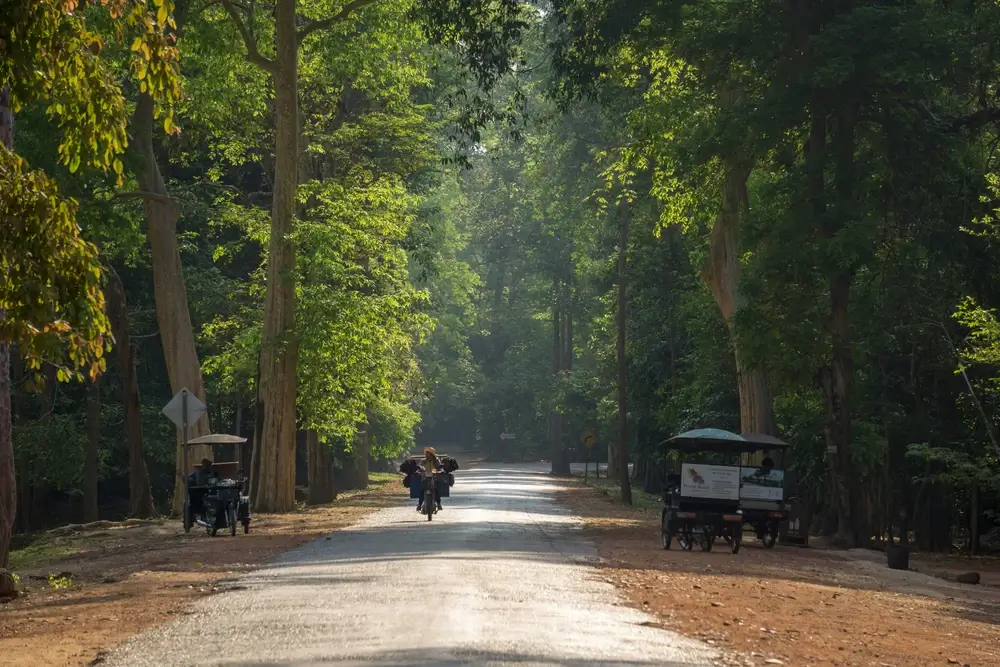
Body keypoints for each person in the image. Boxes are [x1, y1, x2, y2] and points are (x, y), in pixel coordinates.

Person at [416, 447, 443, 513]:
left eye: (428, 453)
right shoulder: (423, 461)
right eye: (426, 453)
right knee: (422, 490)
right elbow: (420, 466)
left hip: (434, 478)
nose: (427, 455)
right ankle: (419, 505)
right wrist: (420, 470)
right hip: (425, 478)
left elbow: (439, 468)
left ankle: (439, 504)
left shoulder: (436, 461)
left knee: (436, 490)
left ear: (432, 454)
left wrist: (439, 471)